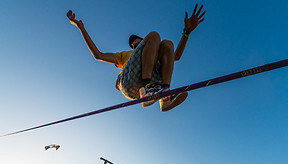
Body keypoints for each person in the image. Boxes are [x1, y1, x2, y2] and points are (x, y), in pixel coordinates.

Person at [66, 4, 205, 112]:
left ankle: (165, 96)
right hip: (129, 83)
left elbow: (175, 57)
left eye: (140, 41)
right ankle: (146, 88)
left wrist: (186, 32)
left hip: (153, 80)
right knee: (154, 35)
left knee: (167, 44)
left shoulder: (153, 50)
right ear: (133, 46)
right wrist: (80, 27)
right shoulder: (124, 55)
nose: (138, 43)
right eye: (136, 43)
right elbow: (98, 55)